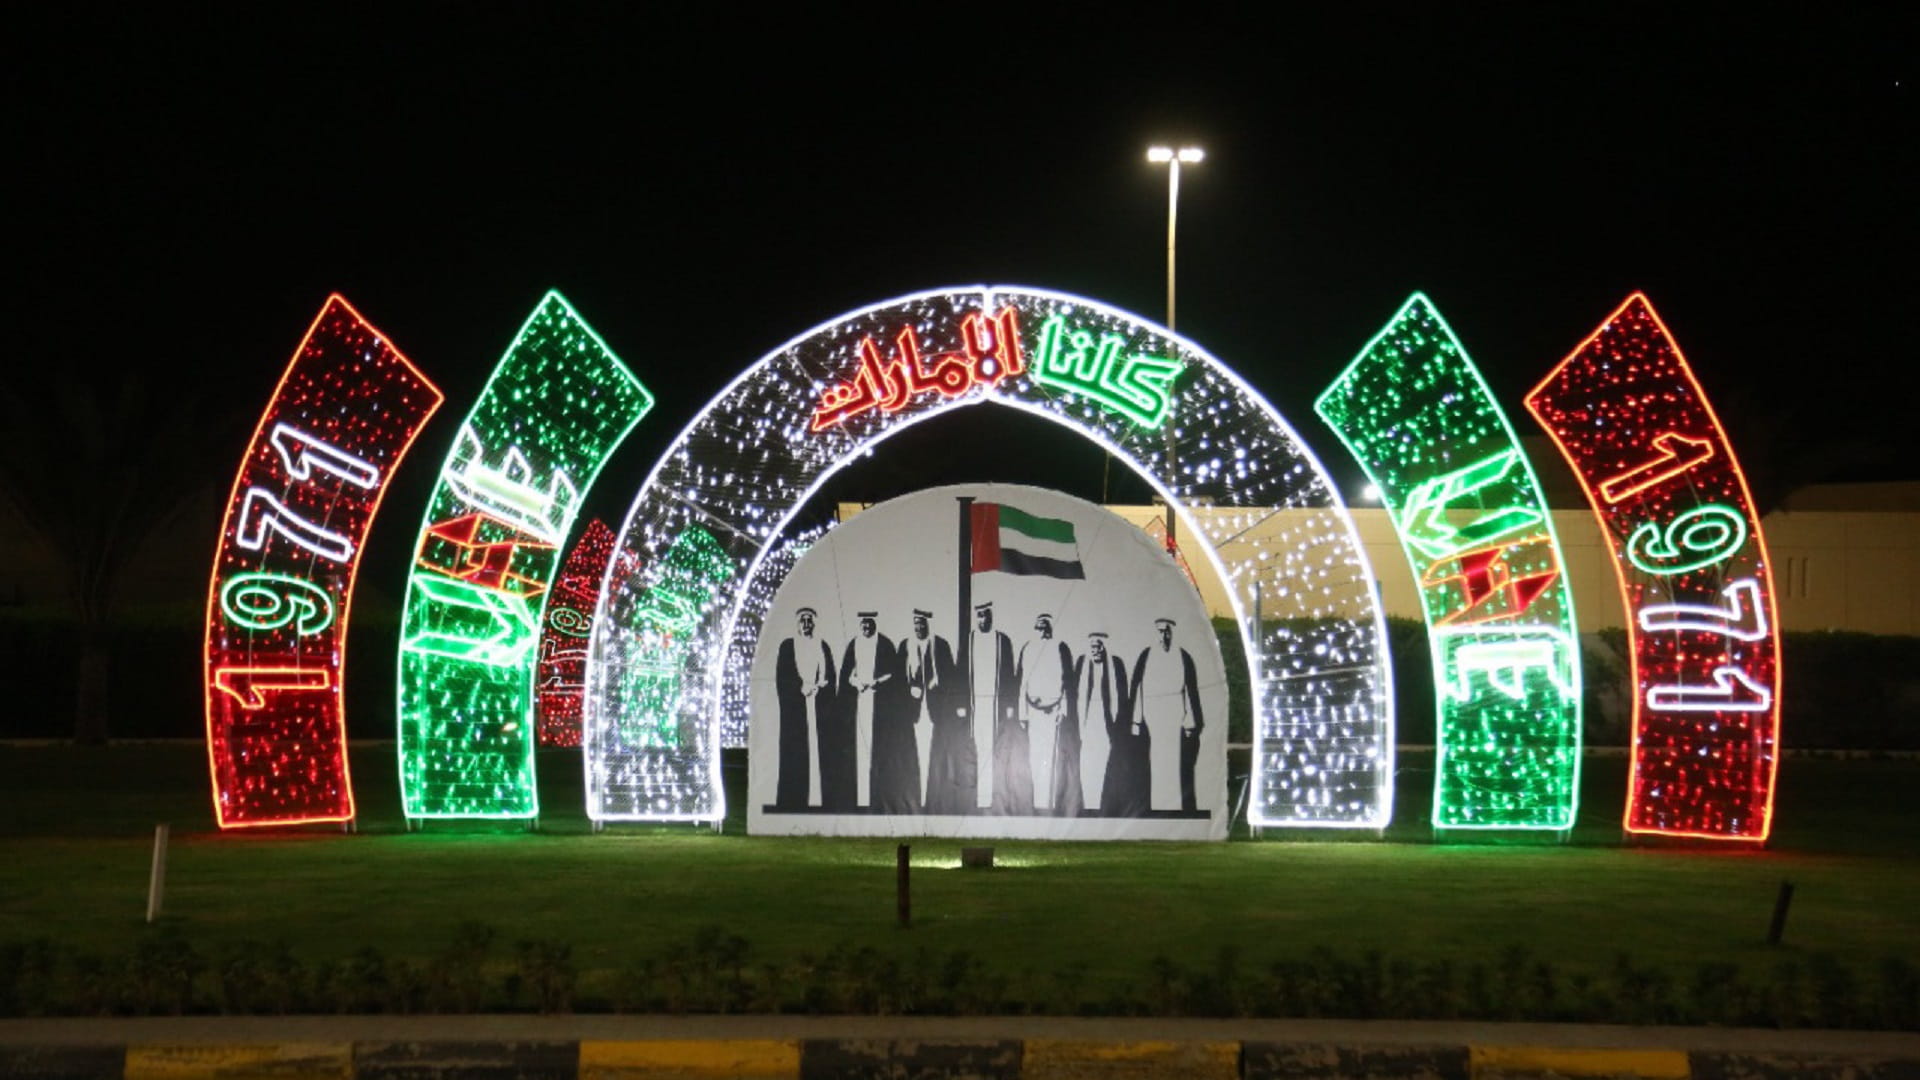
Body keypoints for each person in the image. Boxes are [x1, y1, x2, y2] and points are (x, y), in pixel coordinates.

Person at [1130, 617, 1206, 812]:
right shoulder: (1146, 655)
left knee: (1176, 763)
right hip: (1152, 716)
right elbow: (1137, 687)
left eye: (1167, 631)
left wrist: (1190, 722)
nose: (1163, 635)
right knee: (1154, 761)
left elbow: (1190, 690)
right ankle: (1155, 807)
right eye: (1160, 631)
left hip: (1175, 716)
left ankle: (1176, 807)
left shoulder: (1183, 656)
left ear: (1172, 632)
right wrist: (1136, 720)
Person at [902, 608, 967, 813]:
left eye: (922, 624)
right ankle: (916, 799)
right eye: (916, 625)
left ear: (928, 625)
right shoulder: (907, 646)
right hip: (913, 712)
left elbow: (953, 677)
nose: (919, 628)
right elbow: (898, 677)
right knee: (915, 756)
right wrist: (910, 688)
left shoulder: (940, 646)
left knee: (936, 756)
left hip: (937, 713)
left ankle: (932, 801)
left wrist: (938, 683)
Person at [772, 606, 835, 810]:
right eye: (803, 620)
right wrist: (800, 687)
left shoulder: (822, 645)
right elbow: (783, 675)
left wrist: (820, 688)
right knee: (796, 751)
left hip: (818, 704)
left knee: (818, 750)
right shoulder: (788, 646)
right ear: (798, 624)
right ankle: (794, 799)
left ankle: (819, 798)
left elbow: (830, 676)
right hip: (796, 708)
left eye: (810, 620)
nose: (807, 624)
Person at [836, 611, 900, 811]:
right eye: (863, 624)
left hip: (879, 704)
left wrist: (877, 682)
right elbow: (847, 674)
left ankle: (878, 797)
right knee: (859, 748)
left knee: (878, 749)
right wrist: (855, 682)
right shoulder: (854, 645)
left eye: (869, 624)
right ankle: (858, 796)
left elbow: (894, 673)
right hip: (859, 702)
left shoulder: (886, 645)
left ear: (874, 624)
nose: (866, 627)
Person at [1017, 613, 1074, 815]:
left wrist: (1062, 709)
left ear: (1051, 627)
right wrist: (1022, 713)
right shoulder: (1028, 648)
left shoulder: (1060, 647)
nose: (1043, 630)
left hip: (1053, 711)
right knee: (1035, 755)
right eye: (1039, 627)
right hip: (1033, 711)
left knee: (1050, 756)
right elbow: (1022, 681)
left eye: (1046, 626)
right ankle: (1037, 801)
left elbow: (1066, 681)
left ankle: (1049, 802)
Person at [966, 601, 1017, 812]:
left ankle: (995, 799)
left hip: (996, 705)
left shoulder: (1002, 640)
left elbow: (1009, 675)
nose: (982, 620)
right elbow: (963, 673)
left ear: (991, 616)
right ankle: (980, 799)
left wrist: (1009, 706)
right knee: (978, 749)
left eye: (985, 615)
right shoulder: (970, 640)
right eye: (979, 616)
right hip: (976, 704)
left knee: (996, 750)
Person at [1073, 630, 1127, 815]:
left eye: (1099, 647)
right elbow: (1075, 695)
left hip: (1108, 723)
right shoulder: (1081, 663)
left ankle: (1102, 807)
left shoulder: (1116, 665)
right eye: (1093, 647)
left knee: (1106, 763)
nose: (1095, 650)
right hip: (1086, 722)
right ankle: (1089, 805)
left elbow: (1122, 697)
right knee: (1087, 763)